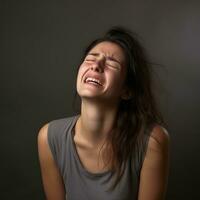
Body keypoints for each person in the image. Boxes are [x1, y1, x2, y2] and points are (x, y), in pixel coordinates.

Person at [37, 26, 170, 200]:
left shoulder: (152, 141)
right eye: (90, 59)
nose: (96, 65)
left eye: (112, 64)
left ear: (127, 90)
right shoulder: (49, 138)